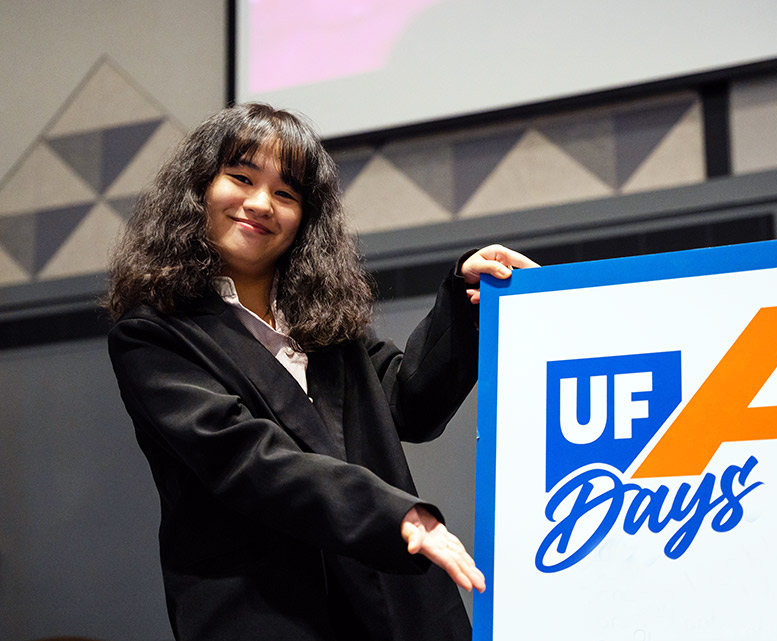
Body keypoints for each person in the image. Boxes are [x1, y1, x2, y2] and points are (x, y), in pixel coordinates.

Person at [105, 102, 538, 641]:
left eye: (286, 194)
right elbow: (249, 460)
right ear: (198, 189)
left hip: (391, 605)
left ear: (305, 220)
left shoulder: (325, 325)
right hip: (267, 614)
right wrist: (395, 517)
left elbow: (412, 407)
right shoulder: (154, 335)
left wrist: (465, 302)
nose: (261, 203)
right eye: (241, 178)